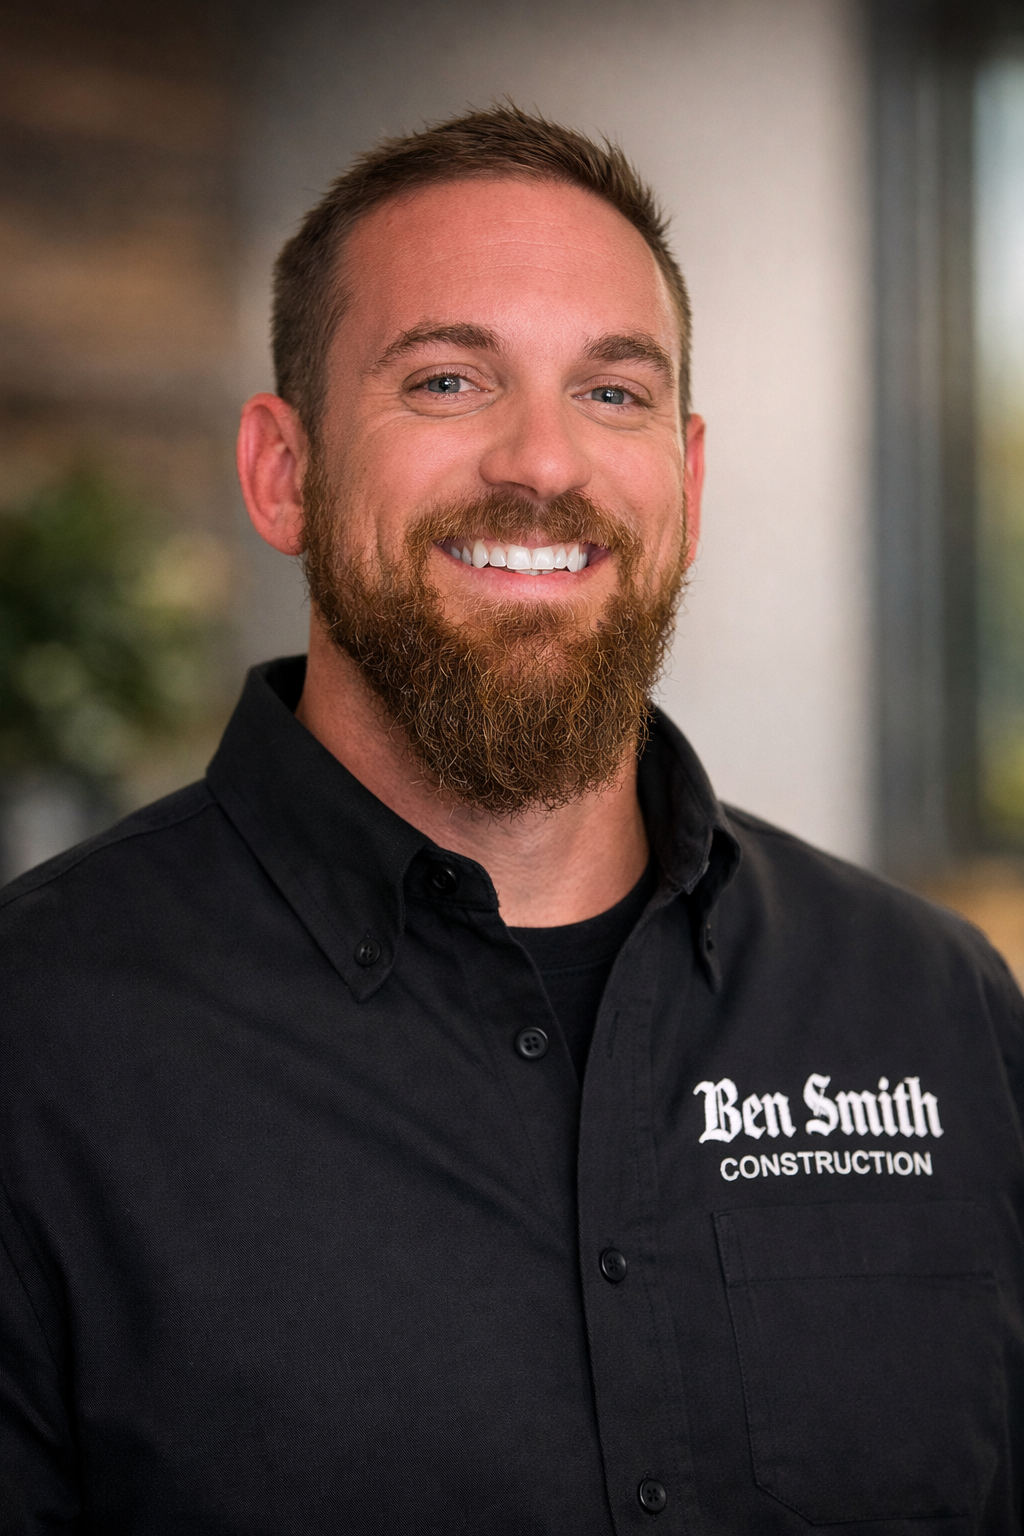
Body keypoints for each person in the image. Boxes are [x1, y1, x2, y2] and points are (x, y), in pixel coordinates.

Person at [1, 105, 1022, 1536]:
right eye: (446, 380)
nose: (543, 462)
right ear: (281, 472)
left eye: (614, 394)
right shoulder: (40, 1039)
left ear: (690, 474)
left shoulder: (937, 1011)